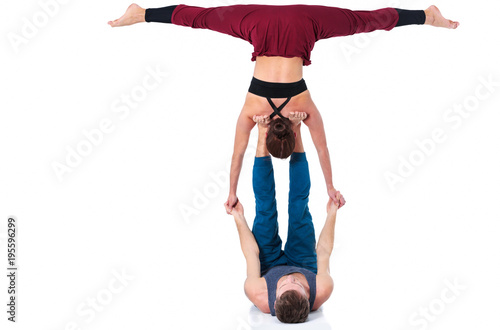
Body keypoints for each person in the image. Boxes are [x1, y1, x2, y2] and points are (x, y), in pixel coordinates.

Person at [108, 4, 459, 210]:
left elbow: (321, 148)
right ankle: (143, 13)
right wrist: (231, 193)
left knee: (361, 22)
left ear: (293, 134)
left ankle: (426, 16)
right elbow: (237, 156)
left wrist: (331, 188)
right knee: (206, 18)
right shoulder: (252, 112)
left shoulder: (303, 109)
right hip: (258, 25)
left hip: (304, 26)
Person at [227, 111, 340, 322]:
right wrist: (332, 213)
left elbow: (251, 253)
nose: (288, 279)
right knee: (299, 207)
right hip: (305, 263)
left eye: (282, 284)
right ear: (308, 296)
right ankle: (297, 129)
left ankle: (262, 133)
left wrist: (239, 218)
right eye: (296, 283)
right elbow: (323, 250)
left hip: (268, 264)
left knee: (265, 210)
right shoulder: (323, 288)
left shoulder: (258, 292)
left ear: (274, 300)